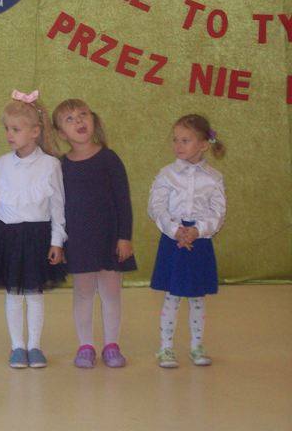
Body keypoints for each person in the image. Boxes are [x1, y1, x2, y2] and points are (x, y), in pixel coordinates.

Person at [0, 90, 66, 369]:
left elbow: (57, 207)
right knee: (13, 294)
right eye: (7, 128)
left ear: (35, 131)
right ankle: (17, 346)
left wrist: (57, 241)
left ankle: (34, 346)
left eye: (16, 129)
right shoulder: (3, 164)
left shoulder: (51, 165)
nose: (9, 135)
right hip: (6, 235)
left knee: (34, 293)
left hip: (37, 237)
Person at [52, 99, 136, 369]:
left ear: (93, 119)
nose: (78, 121)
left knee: (111, 292)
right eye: (69, 119)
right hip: (78, 240)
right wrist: (58, 242)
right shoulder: (60, 166)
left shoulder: (109, 159)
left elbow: (123, 200)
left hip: (109, 239)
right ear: (61, 133)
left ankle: (111, 345)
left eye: (83, 115)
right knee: (83, 292)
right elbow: (57, 207)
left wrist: (124, 236)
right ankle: (85, 346)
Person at [148, 114, 226, 368]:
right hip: (174, 241)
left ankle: (197, 346)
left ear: (203, 144)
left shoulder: (213, 178)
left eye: (185, 140)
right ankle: (165, 348)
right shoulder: (166, 174)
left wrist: (198, 230)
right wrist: (175, 230)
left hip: (199, 242)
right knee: (172, 296)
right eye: (176, 140)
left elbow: (218, 213)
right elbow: (156, 207)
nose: (178, 145)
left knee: (197, 297)